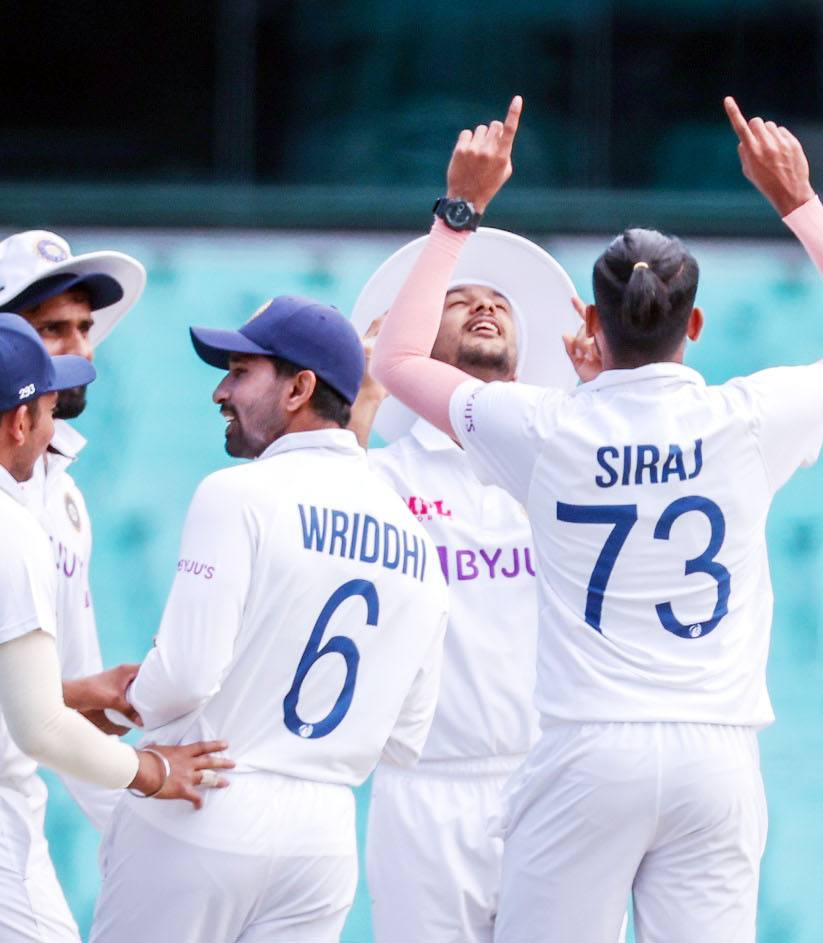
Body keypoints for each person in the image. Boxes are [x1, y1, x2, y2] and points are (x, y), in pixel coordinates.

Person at [372, 96, 823, 942]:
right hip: (717, 752)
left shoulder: (546, 428)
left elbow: (397, 360)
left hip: (588, 747)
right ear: (694, 324)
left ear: (589, 323)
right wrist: (798, 203)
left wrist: (459, 212)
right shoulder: (747, 418)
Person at [89, 296, 449, 943]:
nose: (220, 391)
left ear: (300, 388)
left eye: (239, 370)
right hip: (324, 837)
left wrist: (113, 699)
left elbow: (186, 676)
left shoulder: (237, 493)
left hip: (209, 793)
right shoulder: (415, 535)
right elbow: (405, 734)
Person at [0, 313, 231, 943]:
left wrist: (84, 692)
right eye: (47, 407)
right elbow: (38, 727)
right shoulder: (1, 529)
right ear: (19, 421)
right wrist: (152, 771)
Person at [347, 229, 579, 941]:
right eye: (459, 301)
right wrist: (366, 392)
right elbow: (321, 507)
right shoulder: (382, 474)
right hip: (425, 787)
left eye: (498, 303)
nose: (484, 309)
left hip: (551, 779)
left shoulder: (566, 459)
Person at [0, 229, 148, 831]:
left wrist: (133, 821)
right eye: (53, 329)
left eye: (85, 327)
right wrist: (150, 777)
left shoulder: (64, 492)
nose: (82, 346)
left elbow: (65, 688)